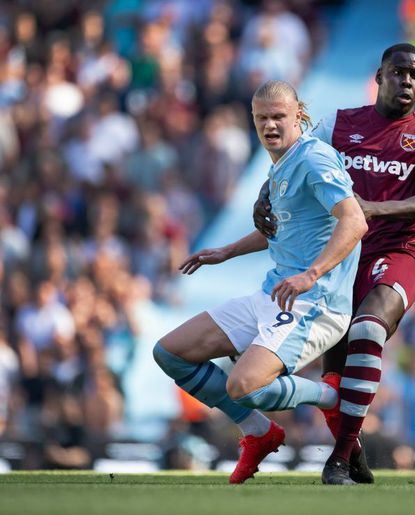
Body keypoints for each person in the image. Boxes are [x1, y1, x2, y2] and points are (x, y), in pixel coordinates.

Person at [254, 43, 415, 484]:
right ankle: (355, 452)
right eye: (399, 72)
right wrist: (265, 194)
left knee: (369, 327)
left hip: (396, 252)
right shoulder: (338, 124)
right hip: (339, 259)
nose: (407, 81)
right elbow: (292, 163)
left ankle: (339, 458)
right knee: (335, 380)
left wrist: (372, 209)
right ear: (380, 75)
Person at [153, 79, 368, 484]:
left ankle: (332, 396)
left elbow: (354, 220)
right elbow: (285, 228)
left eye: (278, 117)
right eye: (262, 119)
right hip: (274, 294)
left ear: (299, 115)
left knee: (244, 385)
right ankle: (258, 431)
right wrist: (227, 251)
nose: (270, 126)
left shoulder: (314, 159)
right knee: (171, 353)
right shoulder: (281, 163)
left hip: (314, 303)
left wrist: (311, 274)